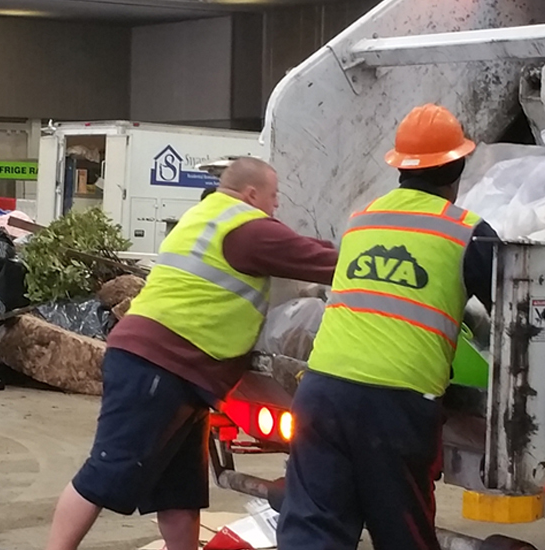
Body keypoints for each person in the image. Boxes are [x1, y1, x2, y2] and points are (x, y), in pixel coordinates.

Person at [45, 157, 338, 550]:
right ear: (252, 194)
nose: (277, 204)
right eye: (274, 195)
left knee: (178, 490)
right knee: (107, 471)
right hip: (161, 362)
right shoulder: (248, 229)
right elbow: (322, 260)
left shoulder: (206, 216)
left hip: (175, 369)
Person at [277, 104, 501, 550]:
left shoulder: (361, 220)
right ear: (456, 168)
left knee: (313, 529)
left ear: (399, 168)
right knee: (403, 532)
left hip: (321, 392)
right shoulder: (467, 232)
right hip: (394, 405)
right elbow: (513, 317)